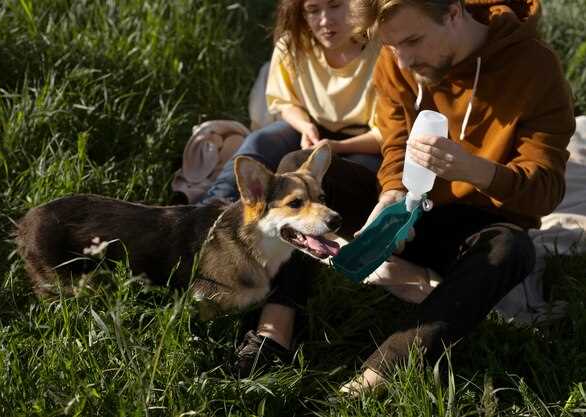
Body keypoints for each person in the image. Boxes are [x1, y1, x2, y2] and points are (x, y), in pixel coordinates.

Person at [328, 0, 577, 394]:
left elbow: (545, 190)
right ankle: (272, 325)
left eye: (413, 40)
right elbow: (394, 146)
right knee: (311, 173)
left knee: (511, 250)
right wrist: (390, 195)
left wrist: (473, 169)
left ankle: (388, 366)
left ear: (454, 13)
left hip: (479, 223)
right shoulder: (396, 62)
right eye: (392, 47)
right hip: (413, 209)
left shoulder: (533, 67)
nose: (404, 61)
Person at [196, 0, 394, 376]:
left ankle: (281, 314)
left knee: (312, 191)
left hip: (362, 145)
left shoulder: (380, 46)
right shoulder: (293, 43)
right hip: (310, 130)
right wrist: (304, 126)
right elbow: (283, 100)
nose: (324, 20)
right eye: (312, 10)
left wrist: (335, 149)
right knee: (258, 142)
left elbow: (389, 132)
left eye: (335, 7)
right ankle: (208, 221)